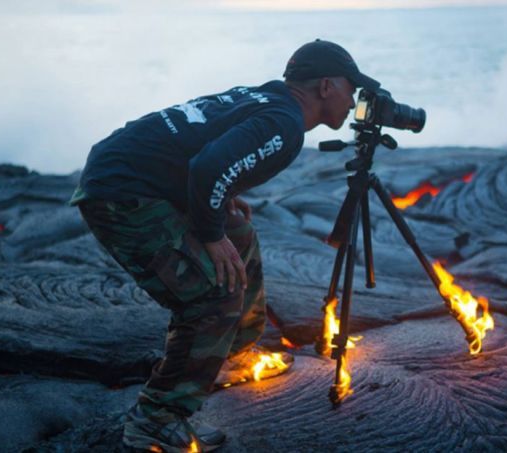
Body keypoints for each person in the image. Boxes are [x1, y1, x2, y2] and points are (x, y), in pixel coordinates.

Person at [70, 39, 380, 452]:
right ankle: (156, 419)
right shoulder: (284, 123)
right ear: (326, 86)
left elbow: (204, 146)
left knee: (240, 234)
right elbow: (207, 166)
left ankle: (232, 355)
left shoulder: (267, 96)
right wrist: (210, 234)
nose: (354, 97)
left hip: (130, 172)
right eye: (350, 87)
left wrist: (221, 201)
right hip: (122, 193)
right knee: (211, 297)